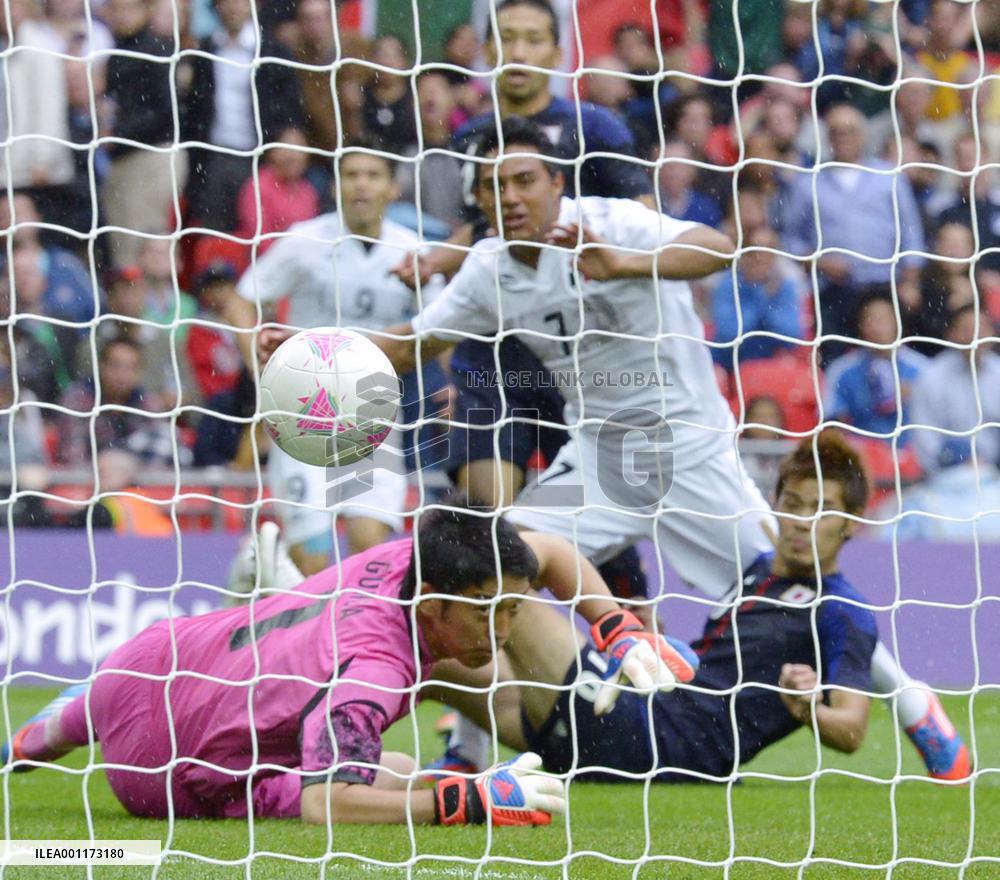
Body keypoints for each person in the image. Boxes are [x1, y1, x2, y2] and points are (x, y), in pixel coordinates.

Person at [355, 116, 968, 781]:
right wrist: (320, 354)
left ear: (557, 182)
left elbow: (714, 246)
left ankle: (914, 705)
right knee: (494, 566)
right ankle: (465, 749)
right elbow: (413, 341)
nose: (511, 196)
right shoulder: (487, 271)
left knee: (799, 588)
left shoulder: (614, 222)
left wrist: (625, 263)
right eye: (494, 186)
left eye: (525, 179)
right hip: (597, 458)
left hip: (689, 448)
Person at [2, 502, 694, 822]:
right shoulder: (371, 672)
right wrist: (463, 803)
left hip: (156, 655)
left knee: (396, 762)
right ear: (430, 606)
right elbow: (326, 803)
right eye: (488, 611)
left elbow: (549, 551)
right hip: (169, 779)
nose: (507, 625)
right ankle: (469, 774)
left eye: (511, 607)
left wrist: (615, 627)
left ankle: (44, 732)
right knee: (365, 782)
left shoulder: (417, 555)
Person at [428, 433, 972, 782]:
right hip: (623, 722)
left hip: (667, 745)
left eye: (822, 510)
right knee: (434, 659)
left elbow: (851, 731)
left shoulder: (841, 611)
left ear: (851, 524)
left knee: (531, 554)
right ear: (774, 505)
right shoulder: (758, 573)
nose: (802, 520)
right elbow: (714, 675)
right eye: (792, 504)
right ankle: (358, 749)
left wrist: (806, 704)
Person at [222, 145, 446, 574]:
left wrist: (443, 376)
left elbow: (443, 323)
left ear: (392, 188)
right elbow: (241, 300)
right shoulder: (305, 241)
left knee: (369, 554)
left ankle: (349, 641)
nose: (361, 183)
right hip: (304, 412)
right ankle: (273, 595)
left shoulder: (412, 252)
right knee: (312, 560)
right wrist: (261, 366)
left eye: (373, 174)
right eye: (351, 174)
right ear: (338, 186)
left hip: (375, 414)